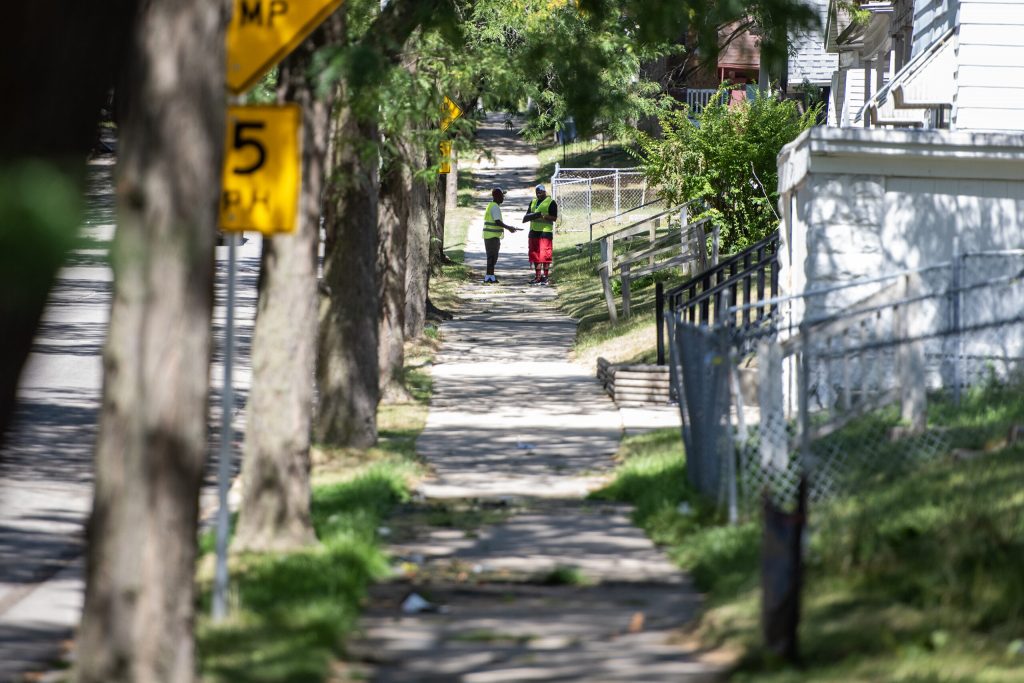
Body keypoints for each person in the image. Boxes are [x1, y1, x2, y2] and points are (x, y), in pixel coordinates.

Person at [482, 187, 519, 283]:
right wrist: (509, 228)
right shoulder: (495, 207)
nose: (503, 198)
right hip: (492, 236)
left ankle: (490, 275)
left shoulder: (491, 205)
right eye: (502, 196)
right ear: (497, 197)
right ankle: (489, 277)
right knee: (492, 257)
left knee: (492, 256)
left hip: (489, 235)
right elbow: (498, 222)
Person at [523, 184, 557, 285]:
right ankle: (537, 277)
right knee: (535, 255)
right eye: (537, 193)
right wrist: (530, 216)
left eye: (540, 192)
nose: (538, 194)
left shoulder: (551, 202)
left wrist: (544, 216)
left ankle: (545, 277)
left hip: (545, 232)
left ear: (544, 192)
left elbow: (554, 218)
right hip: (533, 232)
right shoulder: (533, 202)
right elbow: (527, 214)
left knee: (545, 255)